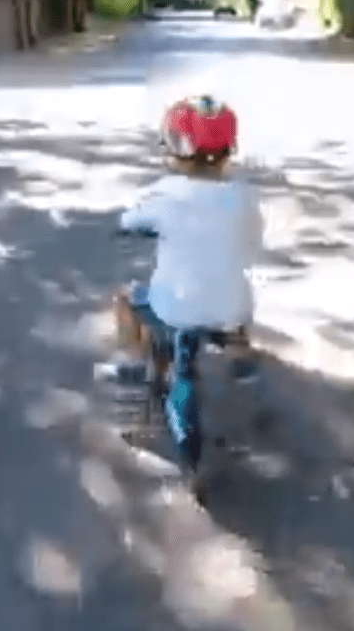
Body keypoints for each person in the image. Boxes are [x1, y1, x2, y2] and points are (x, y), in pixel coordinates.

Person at [106, 96, 264, 473]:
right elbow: (252, 247)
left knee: (125, 301)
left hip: (173, 308)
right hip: (229, 307)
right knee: (234, 295)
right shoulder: (244, 194)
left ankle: (133, 371)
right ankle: (241, 355)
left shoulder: (166, 193)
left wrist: (132, 224)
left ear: (177, 148)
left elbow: (130, 220)